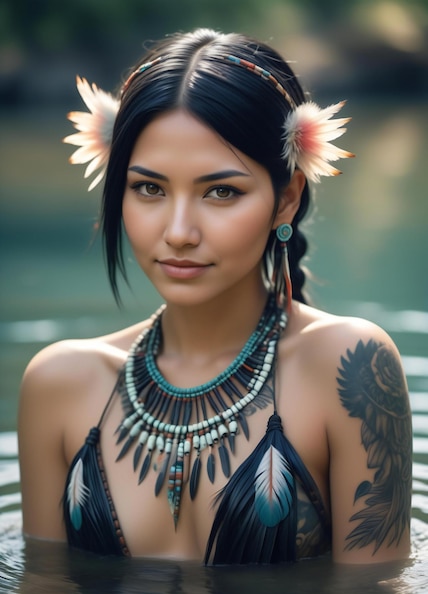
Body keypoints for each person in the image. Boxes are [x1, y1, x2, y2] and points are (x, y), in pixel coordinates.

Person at [17, 28, 413, 565]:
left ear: (286, 199)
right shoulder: (58, 385)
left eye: (221, 191)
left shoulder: (349, 367)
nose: (178, 231)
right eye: (149, 188)